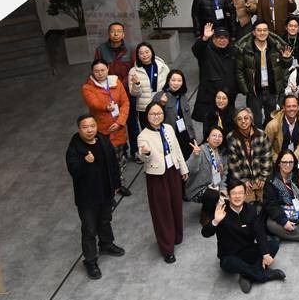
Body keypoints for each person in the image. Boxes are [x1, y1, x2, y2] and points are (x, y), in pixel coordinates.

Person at [66, 115, 125, 280]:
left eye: (92, 126)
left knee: (105, 220)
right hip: (87, 198)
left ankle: (106, 244)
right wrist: (85, 162)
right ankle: (90, 261)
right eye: (85, 127)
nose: (90, 130)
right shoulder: (74, 148)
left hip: (105, 192)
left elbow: (113, 164)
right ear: (79, 129)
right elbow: (74, 172)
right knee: (89, 229)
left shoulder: (103, 140)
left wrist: (116, 185)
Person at [201, 181, 285, 293]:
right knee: (230, 262)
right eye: (234, 193)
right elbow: (205, 233)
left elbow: (259, 232)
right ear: (228, 196)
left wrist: (265, 254)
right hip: (230, 255)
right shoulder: (221, 211)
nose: (237, 196)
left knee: (273, 245)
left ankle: (247, 276)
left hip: (248, 250)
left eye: (240, 193)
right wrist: (215, 221)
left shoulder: (250, 209)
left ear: (245, 195)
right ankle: (263, 275)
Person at [135, 101, 187, 263]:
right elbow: (144, 157)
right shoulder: (143, 136)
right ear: (147, 116)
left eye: (159, 113)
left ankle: (177, 235)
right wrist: (146, 152)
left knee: (176, 204)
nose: (156, 116)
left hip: (173, 170)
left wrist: (183, 168)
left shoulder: (169, 128)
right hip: (157, 176)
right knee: (162, 211)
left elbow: (177, 149)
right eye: (153, 114)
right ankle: (167, 248)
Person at [81, 60, 132, 189]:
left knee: (120, 157)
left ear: (108, 69)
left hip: (118, 128)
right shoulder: (88, 88)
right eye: (96, 71)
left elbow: (125, 103)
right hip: (102, 131)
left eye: (102, 70)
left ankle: (119, 184)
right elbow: (93, 103)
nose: (100, 73)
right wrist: (105, 107)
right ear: (92, 72)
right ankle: (109, 185)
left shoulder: (116, 82)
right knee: (106, 160)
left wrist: (120, 121)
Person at [236, 21, 293, 126]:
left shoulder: (276, 47)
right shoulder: (246, 49)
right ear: (254, 32)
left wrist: (286, 58)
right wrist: (246, 90)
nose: (262, 33)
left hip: (271, 90)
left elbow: (285, 67)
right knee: (255, 121)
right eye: (259, 30)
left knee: (271, 121)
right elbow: (239, 71)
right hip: (254, 92)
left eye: (265, 30)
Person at [224, 107, 274, 202]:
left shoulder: (261, 135)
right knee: (248, 205)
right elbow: (233, 164)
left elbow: (267, 157)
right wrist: (244, 180)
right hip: (243, 179)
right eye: (239, 119)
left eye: (246, 118)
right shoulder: (231, 137)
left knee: (267, 202)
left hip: (260, 178)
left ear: (251, 119)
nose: (243, 121)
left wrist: (263, 177)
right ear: (236, 122)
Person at [127, 42, 170, 145]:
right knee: (150, 135)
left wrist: (166, 96)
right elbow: (134, 93)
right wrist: (137, 84)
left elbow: (169, 85)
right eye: (141, 53)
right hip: (144, 108)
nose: (145, 55)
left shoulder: (162, 66)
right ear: (137, 55)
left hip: (162, 104)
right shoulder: (133, 71)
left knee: (166, 132)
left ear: (152, 52)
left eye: (147, 52)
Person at [185, 125, 228, 223]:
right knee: (213, 195)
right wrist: (195, 156)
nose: (217, 138)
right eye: (214, 136)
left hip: (216, 184)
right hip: (199, 187)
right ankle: (205, 215)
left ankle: (215, 208)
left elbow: (225, 173)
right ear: (207, 138)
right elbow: (190, 169)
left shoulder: (222, 153)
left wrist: (223, 188)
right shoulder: (200, 150)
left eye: (220, 136)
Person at [265, 94, 299, 166]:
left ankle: (297, 165)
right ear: (284, 108)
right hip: (279, 154)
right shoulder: (272, 125)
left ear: (298, 107)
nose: (292, 109)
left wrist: (295, 156)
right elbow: (266, 146)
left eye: (294, 106)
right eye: (288, 106)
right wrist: (280, 160)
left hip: (295, 151)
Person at [94, 22, 134, 94]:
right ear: (108, 34)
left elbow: (135, 69)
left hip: (128, 87)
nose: (116, 34)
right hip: (109, 88)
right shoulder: (100, 50)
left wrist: (123, 84)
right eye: (112, 31)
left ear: (123, 34)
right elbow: (97, 70)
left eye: (119, 31)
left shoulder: (131, 49)